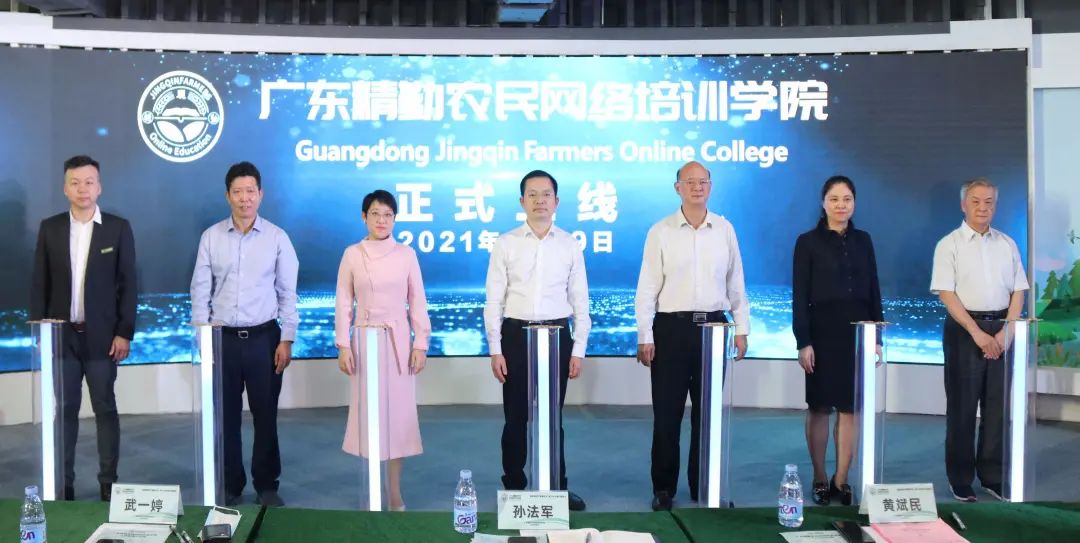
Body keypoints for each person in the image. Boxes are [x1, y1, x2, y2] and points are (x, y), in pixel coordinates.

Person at [635, 160, 750, 511]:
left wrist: (742, 329)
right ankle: (663, 489)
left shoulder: (724, 229)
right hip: (671, 330)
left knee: (708, 415)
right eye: (690, 182)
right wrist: (644, 334)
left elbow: (736, 282)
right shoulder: (661, 231)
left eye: (703, 182)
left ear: (710, 186)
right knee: (667, 414)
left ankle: (705, 486)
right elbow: (647, 287)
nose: (697, 187)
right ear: (678, 188)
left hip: (714, 329)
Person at [190, 161, 299, 507]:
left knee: (266, 415)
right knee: (226, 418)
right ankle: (231, 485)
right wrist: (202, 339)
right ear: (228, 196)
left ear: (260, 194)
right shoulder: (211, 237)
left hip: (264, 340)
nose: (244, 198)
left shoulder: (277, 238)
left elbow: (287, 292)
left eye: (250, 191)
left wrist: (287, 338)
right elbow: (200, 292)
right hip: (222, 340)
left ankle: (266, 484)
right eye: (237, 192)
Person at [30, 155, 137, 502]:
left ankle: (108, 482)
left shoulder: (117, 228)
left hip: (103, 339)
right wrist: (40, 333)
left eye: (89, 182)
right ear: (65, 188)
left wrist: (124, 332)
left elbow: (128, 285)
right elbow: (40, 283)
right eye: (75, 183)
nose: (82, 189)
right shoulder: (50, 228)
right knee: (65, 410)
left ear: (99, 186)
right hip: (61, 338)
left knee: (105, 407)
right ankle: (64, 484)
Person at [484, 170, 590, 511]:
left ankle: (556, 489)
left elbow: (580, 301)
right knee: (515, 418)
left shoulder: (569, 244)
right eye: (532, 194)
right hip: (516, 336)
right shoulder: (506, 243)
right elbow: (494, 300)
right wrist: (496, 349)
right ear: (522, 201)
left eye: (546, 195)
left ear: (556, 202)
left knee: (552, 418)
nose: (540, 200)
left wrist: (578, 349)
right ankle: (514, 489)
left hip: (557, 336)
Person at [930, 177, 1027, 502]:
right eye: (976, 201)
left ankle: (992, 476)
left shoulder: (1007, 244)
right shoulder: (949, 244)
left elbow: (1019, 291)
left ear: (995, 206)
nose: (982, 208)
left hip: (1002, 329)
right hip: (964, 329)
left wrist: (1006, 333)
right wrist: (977, 334)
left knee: (997, 408)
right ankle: (960, 478)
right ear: (964, 205)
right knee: (962, 407)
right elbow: (947, 293)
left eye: (989, 202)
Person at [334, 189, 431, 511]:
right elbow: (343, 302)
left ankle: (394, 494)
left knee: (398, 419)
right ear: (364, 217)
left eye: (388, 215)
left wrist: (420, 343)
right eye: (375, 214)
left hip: (398, 341)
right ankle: (373, 491)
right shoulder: (352, 254)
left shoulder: (406, 254)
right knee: (369, 416)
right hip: (364, 341)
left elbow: (417, 300)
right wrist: (343, 344)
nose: (381, 220)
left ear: (395, 219)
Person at [791, 175, 883, 506]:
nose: (841, 205)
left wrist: (876, 336)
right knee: (819, 408)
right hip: (821, 334)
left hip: (857, 334)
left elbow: (873, 289)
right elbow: (800, 296)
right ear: (823, 203)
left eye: (847, 199)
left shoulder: (864, 240)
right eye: (834, 199)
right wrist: (804, 341)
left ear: (854, 203)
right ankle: (819, 476)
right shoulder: (807, 242)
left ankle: (841, 479)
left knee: (850, 408)